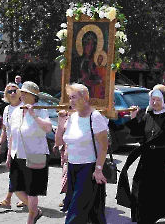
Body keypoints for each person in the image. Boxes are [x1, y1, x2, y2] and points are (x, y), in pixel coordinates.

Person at [116, 88, 165, 223]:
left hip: (164, 158)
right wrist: (134, 117)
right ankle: (144, 216)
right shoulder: (148, 115)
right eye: (153, 99)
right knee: (142, 187)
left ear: (164, 101)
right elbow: (137, 133)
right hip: (148, 158)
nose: (155, 102)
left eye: (158, 100)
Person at [55, 83, 109, 224]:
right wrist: (61, 123)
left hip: (88, 169)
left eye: (74, 97)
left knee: (75, 212)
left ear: (85, 98)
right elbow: (59, 141)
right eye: (70, 98)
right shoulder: (72, 117)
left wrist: (98, 169)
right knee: (94, 213)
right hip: (73, 168)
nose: (71, 101)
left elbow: (104, 146)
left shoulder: (95, 117)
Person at [7, 81, 52, 224]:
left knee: (32, 191)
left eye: (25, 93)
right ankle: (36, 211)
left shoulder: (40, 110)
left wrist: (33, 114)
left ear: (33, 96)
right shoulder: (17, 110)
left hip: (35, 155)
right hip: (17, 154)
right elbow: (12, 134)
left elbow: (48, 129)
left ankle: (31, 218)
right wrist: (9, 154)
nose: (21, 95)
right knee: (15, 188)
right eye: (22, 92)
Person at [0, 83, 27, 209]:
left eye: (14, 90)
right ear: (6, 95)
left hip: (23, 146)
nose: (12, 93)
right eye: (9, 91)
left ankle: (9, 199)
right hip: (11, 146)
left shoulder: (23, 108)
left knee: (17, 174)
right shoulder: (7, 109)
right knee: (16, 173)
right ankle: (21, 199)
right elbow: (4, 129)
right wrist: (0, 144)